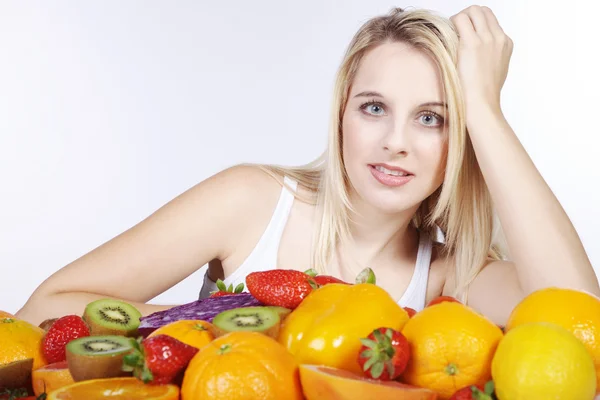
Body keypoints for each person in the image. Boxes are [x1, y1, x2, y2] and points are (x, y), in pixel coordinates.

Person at [16, 5, 599, 327]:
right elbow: (45, 307)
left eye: (433, 119)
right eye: (375, 108)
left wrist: (489, 114)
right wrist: (233, 320)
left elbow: (583, 327)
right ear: (342, 114)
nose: (396, 142)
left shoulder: (452, 277)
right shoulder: (253, 203)